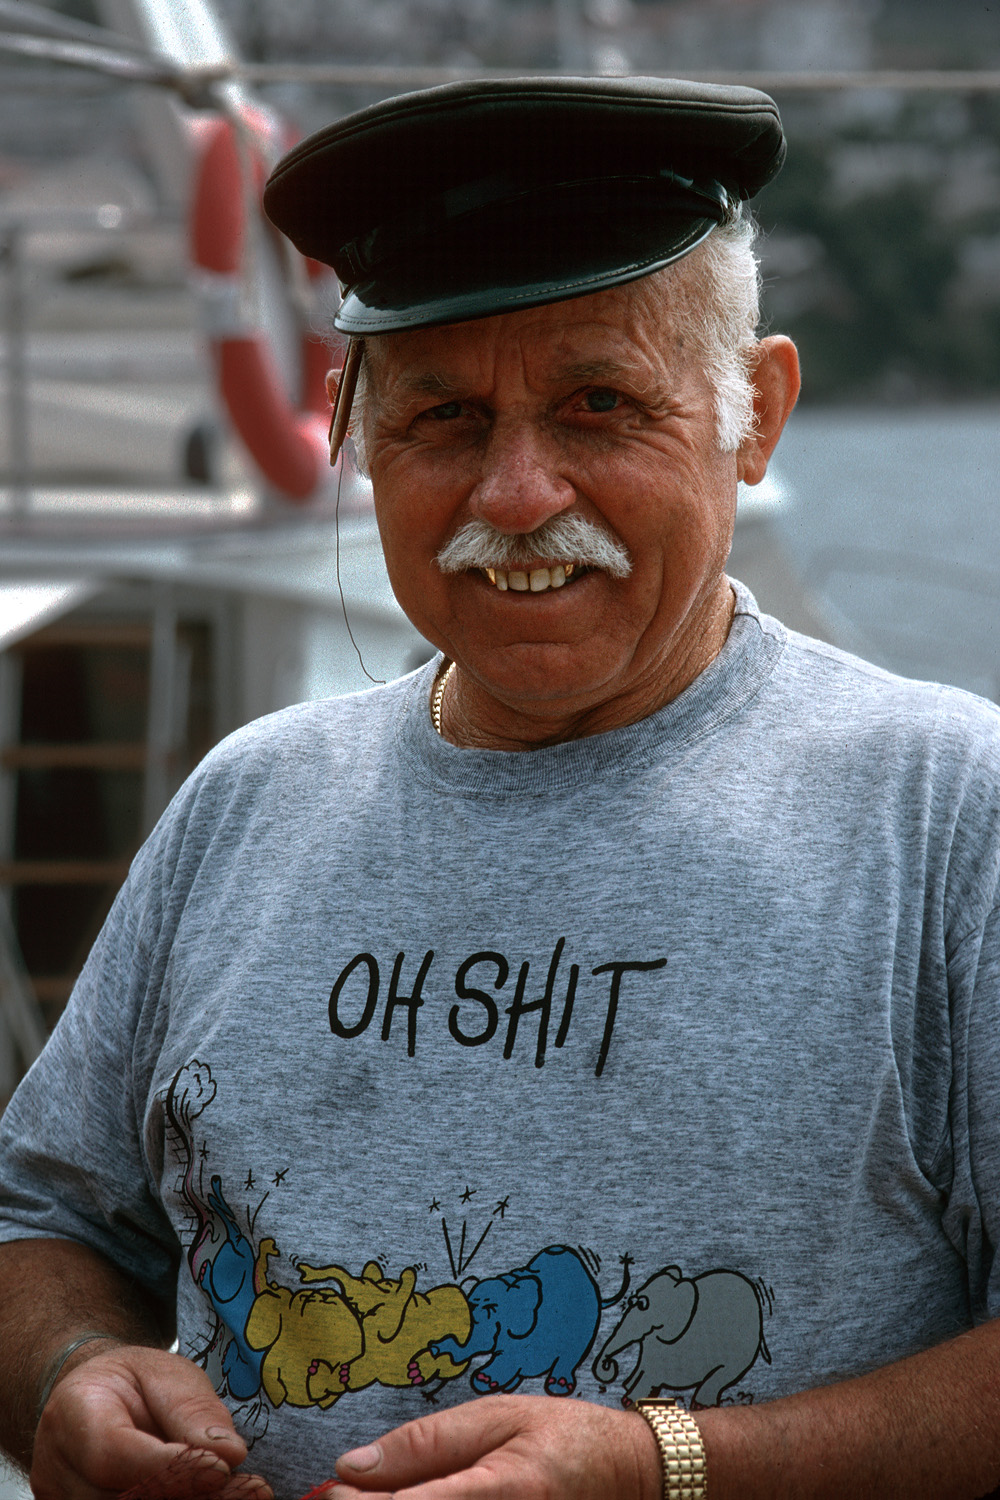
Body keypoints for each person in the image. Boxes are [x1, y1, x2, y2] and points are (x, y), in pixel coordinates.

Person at [1, 74, 1000, 1500]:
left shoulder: (953, 816)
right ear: (353, 430)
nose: (518, 494)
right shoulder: (243, 804)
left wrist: (664, 1466)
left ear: (756, 413)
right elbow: (39, 1218)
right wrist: (68, 1371)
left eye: (600, 403)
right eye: (447, 419)